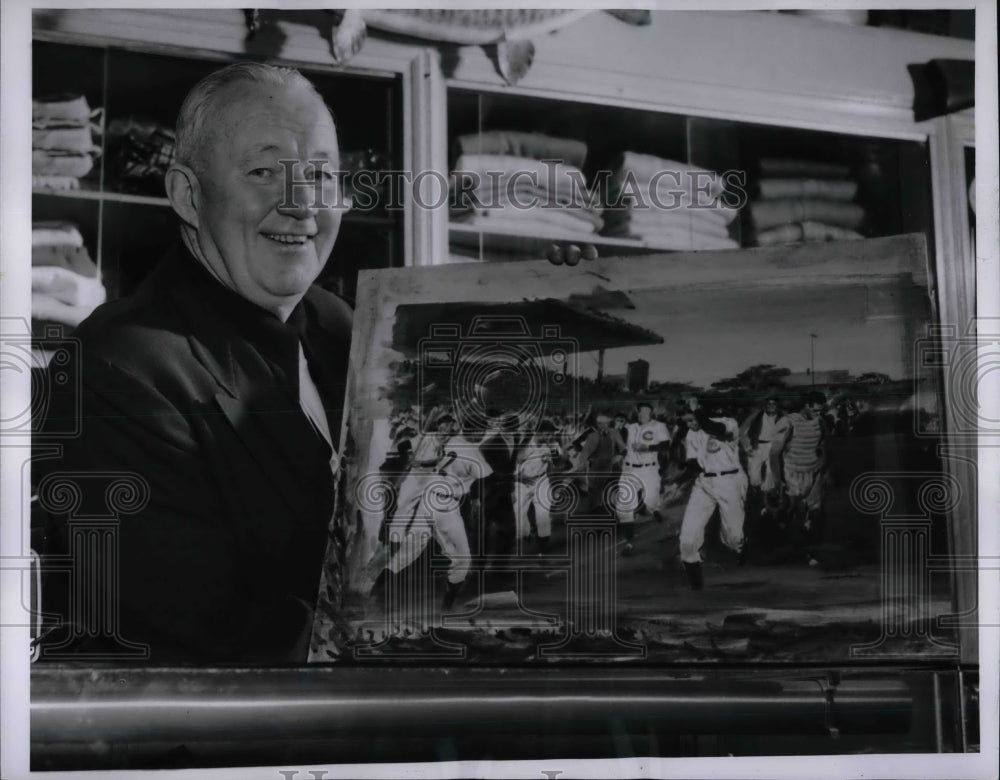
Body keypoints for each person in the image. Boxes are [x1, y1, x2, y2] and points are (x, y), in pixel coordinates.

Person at [35, 62, 351, 663]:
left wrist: (564, 302)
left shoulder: (347, 329)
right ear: (187, 193)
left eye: (321, 174)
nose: (303, 204)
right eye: (264, 171)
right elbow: (204, 632)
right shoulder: (113, 371)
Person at [666, 400, 747, 590]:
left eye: (692, 420)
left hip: (730, 481)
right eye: (686, 422)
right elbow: (695, 464)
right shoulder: (692, 434)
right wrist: (676, 483)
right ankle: (696, 586)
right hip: (704, 483)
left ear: (702, 413)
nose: (690, 425)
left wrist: (698, 412)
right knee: (687, 537)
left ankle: (740, 545)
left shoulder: (728, 423)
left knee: (733, 537)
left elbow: (714, 428)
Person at [769, 391, 827, 562]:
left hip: (813, 472)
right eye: (815, 410)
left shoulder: (820, 422)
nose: (818, 414)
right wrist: (778, 481)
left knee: (815, 514)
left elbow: (823, 445)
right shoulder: (788, 422)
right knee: (790, 511)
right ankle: (776, 528)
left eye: (820, 411)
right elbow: (774, 454)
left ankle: (811, 552)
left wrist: (822, 466)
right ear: (806, 406)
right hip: (792, 473)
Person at [615, 401, 670, 555]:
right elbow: (619, 441)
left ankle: (653, 509)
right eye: (640, 411)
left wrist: (648, 448)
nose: (642, 413)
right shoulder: (630, 427)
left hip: (649, 469)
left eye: (645, 411)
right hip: (630, 470)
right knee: (624, 506)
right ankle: (629, 543)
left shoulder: (658, 426)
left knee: (651, 501)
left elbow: (666, 446)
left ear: (651, 413)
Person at [577, 411, 626, 514]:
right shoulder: (590, 434)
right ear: (597, 424)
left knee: (612, 491)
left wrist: (619, 456)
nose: (604, 425)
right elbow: (577, 444)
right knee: (595, 493)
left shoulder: (615, 433)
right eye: (600, 423)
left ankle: (612, 515)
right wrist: (587, 456)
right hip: (595, 468)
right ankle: (598, 517)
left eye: (606, 423)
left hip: (612, 467)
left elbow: (623, 449)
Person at [739, 395, 789, 493]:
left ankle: (768, 494)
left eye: (773, 404)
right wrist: (747, 447)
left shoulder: (783, 417)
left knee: (771, 472)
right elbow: (742, 431)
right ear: (765, 406)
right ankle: (756, 489)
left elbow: (788, 432)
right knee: (753, 473)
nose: (771, 406)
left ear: (778, 405)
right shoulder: (756, 416)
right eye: (768, 404)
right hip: (757, 446)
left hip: (774, 446)